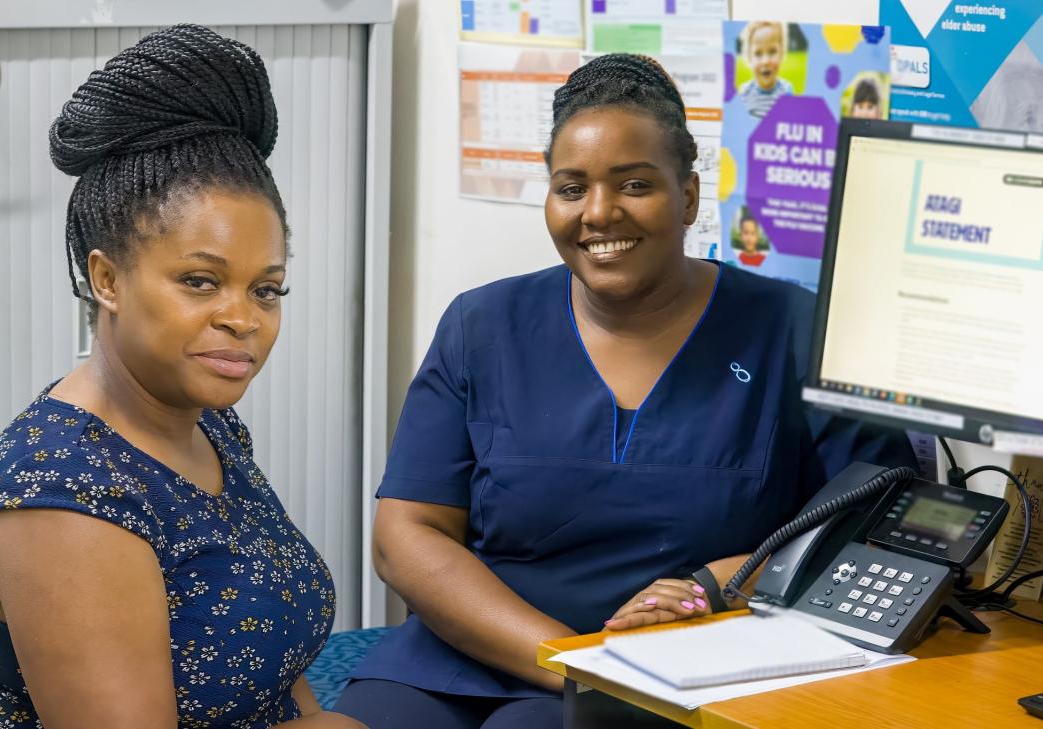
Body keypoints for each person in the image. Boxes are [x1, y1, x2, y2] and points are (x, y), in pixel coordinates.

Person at [334, 54, 917, 729]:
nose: (600, 213)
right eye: (571, 186)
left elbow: (875, 523)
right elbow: (407, 532)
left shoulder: (792, 329)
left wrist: (713, 587)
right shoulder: (483, 325)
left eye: (635, 183)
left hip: (678, 666)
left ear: (690, 197)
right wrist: (567, 657)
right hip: (475, 648)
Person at [0, 25, 363, 729]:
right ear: (106, 277)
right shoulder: (64, 506)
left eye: (267, 289)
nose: (244, 319)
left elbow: (278, 660)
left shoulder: (204, 422)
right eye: (201, 281)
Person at [738, 21, 793, 118]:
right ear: (749, 58)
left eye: (772, 51)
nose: (765, 61)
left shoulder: (786, 91)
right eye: (758, 54)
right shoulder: (745, 93)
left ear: (781, 54)